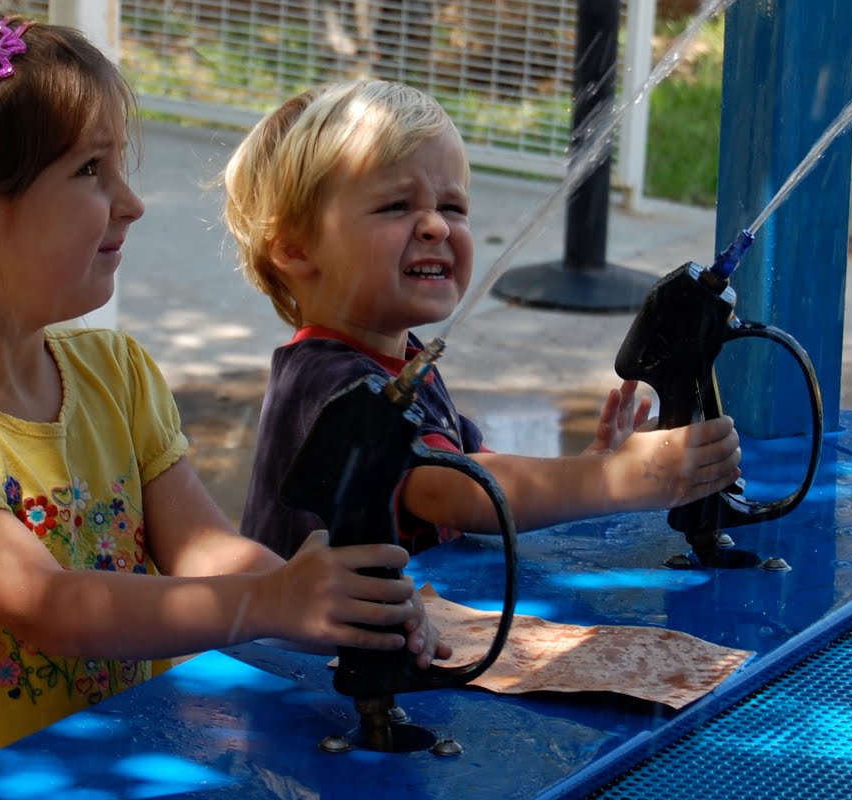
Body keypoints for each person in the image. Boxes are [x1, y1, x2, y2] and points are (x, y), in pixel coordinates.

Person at [0, 1, 442, 786]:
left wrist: (326, 598)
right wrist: (266, 604)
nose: (131, 202)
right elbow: (49, 607)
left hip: (128, 764)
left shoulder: (114, 373)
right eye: (90, 171)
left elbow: (202, 547)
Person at [220, 78, 743, 560]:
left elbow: (486, 473)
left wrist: (588, 465)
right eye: (396, 205)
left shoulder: (402, 364)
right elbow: (455, 491)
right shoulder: (325, 383)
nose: (435, 226)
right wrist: (610, 478)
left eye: (452, 207)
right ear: (295, 249)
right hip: (309, 637)